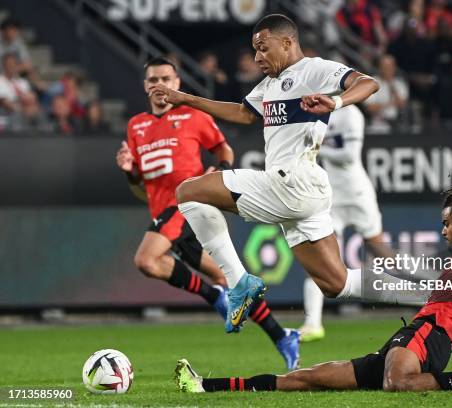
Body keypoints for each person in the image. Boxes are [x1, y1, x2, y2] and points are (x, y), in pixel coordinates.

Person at [173, 129, 452, 394]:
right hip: (419, 331)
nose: (443, 230)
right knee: (306, 379)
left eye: (447, 223)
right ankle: (206, 385)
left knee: (398, 384)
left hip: (431, 334)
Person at [149, 14, 380, 334]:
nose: (257, 57)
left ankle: (238, 283)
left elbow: (369, 83)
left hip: (292, 182)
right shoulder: (270, 85)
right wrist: (186, 98)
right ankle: (432, 296)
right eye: (254, 50)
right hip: (306, 190)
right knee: (335, 283)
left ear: (287, 43)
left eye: (263, 48)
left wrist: (336, 101)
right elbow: (243, 113)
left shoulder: (314, 69)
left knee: (188, 192)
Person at [115, 57, 300, 370]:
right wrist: (129, 171)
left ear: (177, 83)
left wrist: (220, 174)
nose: (159, 84)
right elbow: (140, 187)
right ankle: (282, 336)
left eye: (165, 78)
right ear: (145, 86)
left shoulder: (192, 115)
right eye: (152, 80)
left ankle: (213, 297)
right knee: (226, 277)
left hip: (187, 206)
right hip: (164, 213)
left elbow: (223, 149)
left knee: (146, 260)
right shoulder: (136, 126)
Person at [300, 104, 387, 342]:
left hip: (357, 193)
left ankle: (426, 297)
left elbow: (349, 155)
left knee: (381, 252)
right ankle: (313, 323)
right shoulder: (314, 113)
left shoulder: (351, 113)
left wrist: (315, 150)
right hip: (330, 196)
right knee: (322, 258)